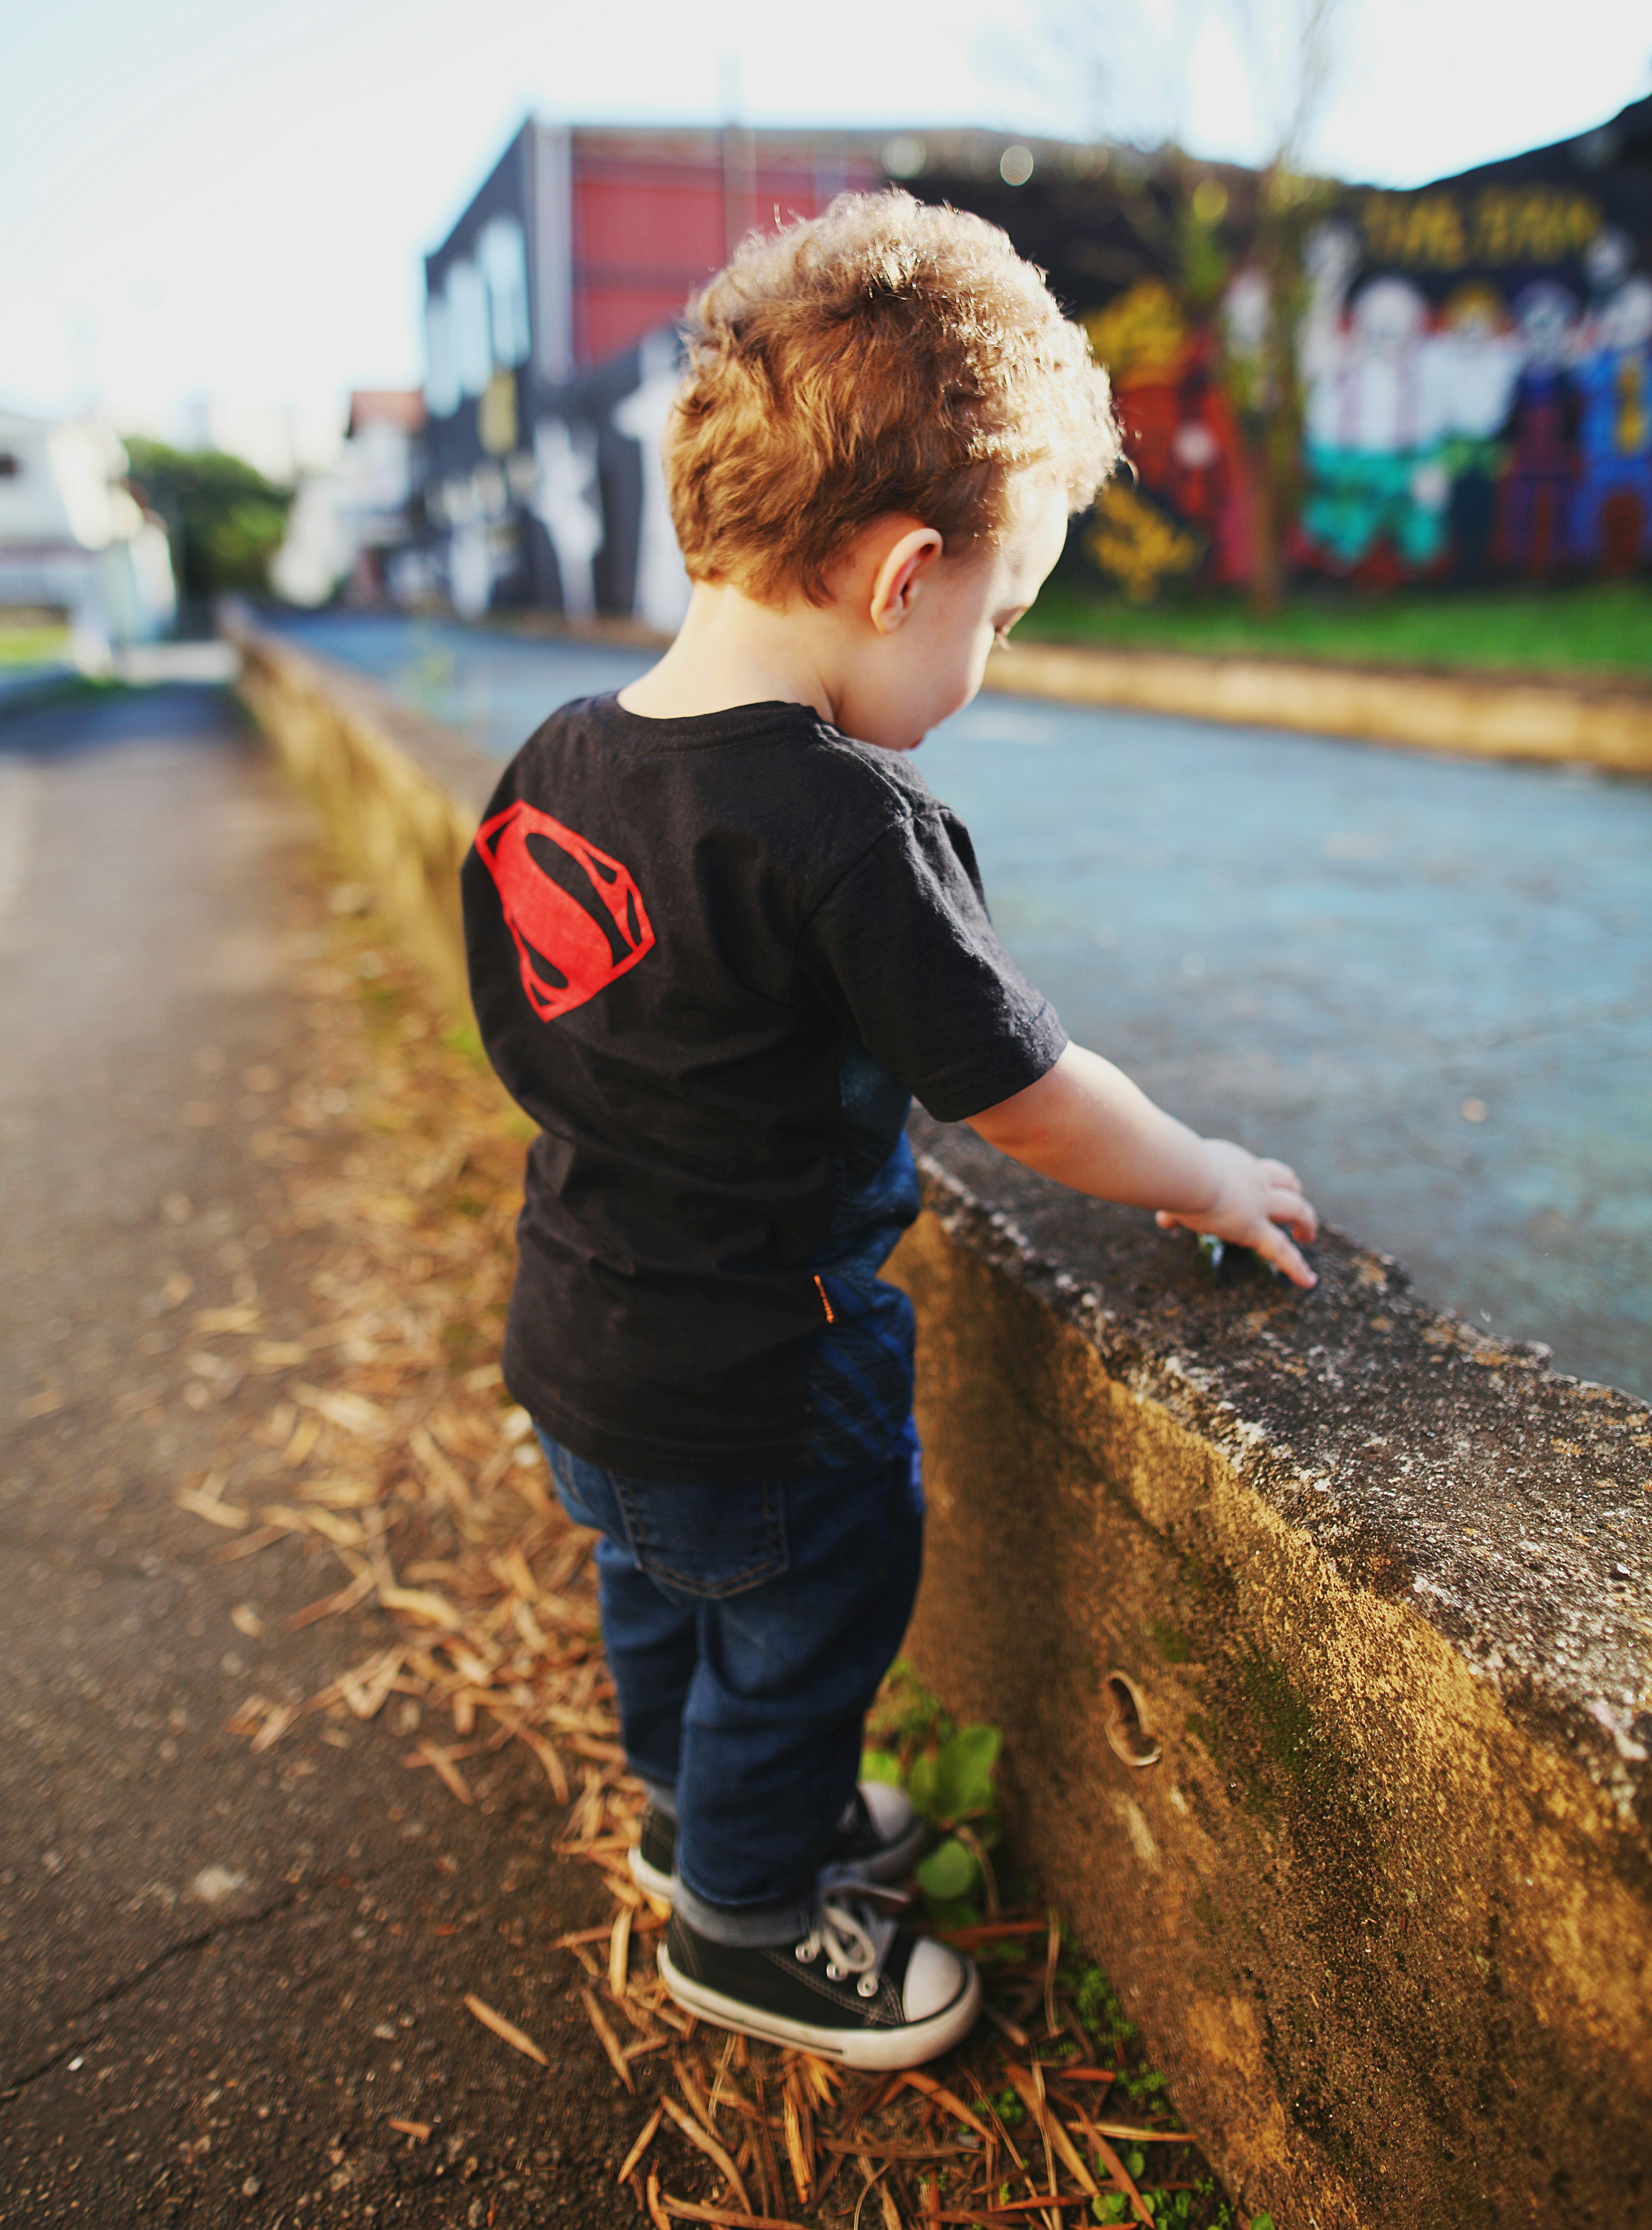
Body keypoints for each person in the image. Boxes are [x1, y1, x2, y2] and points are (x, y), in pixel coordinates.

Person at [462, 192, 1318, 2069]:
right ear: (903, 572)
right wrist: (1203, 1172)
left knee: (659, 1603)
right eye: (1000, 617)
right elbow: (1026, 1094)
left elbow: (535, 1025)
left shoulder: (558, 763)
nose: (986, 666)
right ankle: (749, 1923)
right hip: (774, 1387)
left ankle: (708, 1813)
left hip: (582, 1343)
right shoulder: (847, 829)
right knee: (808, 1624)